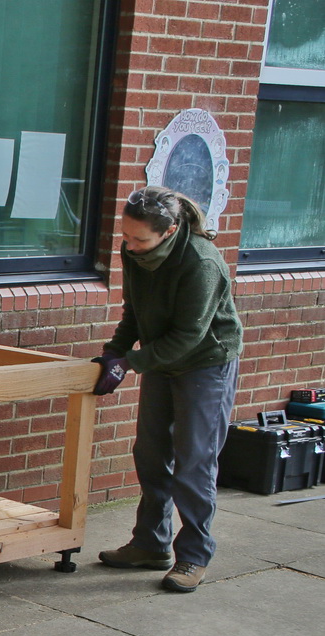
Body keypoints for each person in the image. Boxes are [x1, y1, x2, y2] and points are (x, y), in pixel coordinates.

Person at [92, 185, 243, 593]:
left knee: (194, 461)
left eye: (140, 239)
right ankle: (150, 544)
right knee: (151, 452)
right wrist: (114, 352)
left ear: (170, 230)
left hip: (205, 363)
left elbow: (189, 336)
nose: (130, 245)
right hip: (162, 357)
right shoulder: (133, 252)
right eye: (125, 235)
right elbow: (135, 311)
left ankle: (193, 556)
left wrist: (131, 363)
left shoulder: (200, 261)